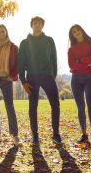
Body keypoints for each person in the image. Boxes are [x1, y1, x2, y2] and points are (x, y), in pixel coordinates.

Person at [18, 16, 61, 145]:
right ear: (31, 25)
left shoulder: (49, 40)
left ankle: (56, 133)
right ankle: (35, 135)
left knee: (55, 104)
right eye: (35, 23)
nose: (37, 25)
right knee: (33, 106)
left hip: (48, 76)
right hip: (32, 77)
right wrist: (23, 80)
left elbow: (54, 58)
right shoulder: (25, 43)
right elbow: (21, 63)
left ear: (42, 25)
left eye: (39, 23)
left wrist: (52, 75)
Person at [68, 24, 91, 148]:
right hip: (76, 79)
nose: (77, 33)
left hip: (90, 77)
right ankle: (84, 135)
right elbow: (72, 65)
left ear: (82, 30)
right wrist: (86, 63)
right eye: (74, 32)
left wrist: (80, 61)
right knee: (80, 107)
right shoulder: (71, 49)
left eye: (78, 30)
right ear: (72, 35)